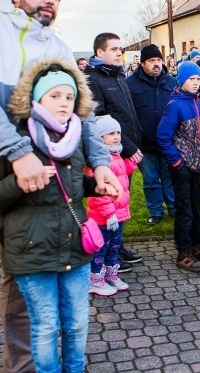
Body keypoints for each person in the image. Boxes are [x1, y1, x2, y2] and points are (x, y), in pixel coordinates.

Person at [0, 0, 120, 373]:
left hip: (37, 191)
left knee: (24, 302)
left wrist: (100, 163)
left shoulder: (57, 46)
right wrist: (18, 152)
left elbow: (82, 114)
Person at [0, 58, 109, 373]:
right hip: (33, 250)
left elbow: (71, 187)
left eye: (69, 96)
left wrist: (96, 186)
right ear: (37, 99)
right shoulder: (17, 141)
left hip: (75, 247)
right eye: (55, 96)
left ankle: (75, 369)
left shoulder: (76, 137)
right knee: (46, 326)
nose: (64, 103)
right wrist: (18, 182)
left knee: (77, 322)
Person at [85, 33, 144, 268]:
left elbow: (127, 114)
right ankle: (105, 249)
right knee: (108, 200)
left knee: (122, 200)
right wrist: (127, 146)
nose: (120, 53)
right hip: (110, 152)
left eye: (120, 49)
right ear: (100, 52)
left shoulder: (119, 75)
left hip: (125, 148)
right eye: (114, 49)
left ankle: (117, 245)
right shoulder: (93, 79)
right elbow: (100, 120)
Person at [157, 61, 200, 272]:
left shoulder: (199, 103)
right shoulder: (175, 105)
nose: (196, 82)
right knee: (185, 211)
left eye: (198, 78)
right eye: (191, 79)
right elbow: (163, 136)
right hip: (182, 167)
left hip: (196, 166)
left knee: (196, 207)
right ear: (182, 80)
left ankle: (196, 245)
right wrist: (177, 161)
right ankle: (183, 252)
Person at [127, 44, 177, 224]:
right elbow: (128, 114)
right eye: (151, 60)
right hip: (144, 144)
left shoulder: (171, 82)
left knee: (169, 177)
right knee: (150, 180)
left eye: (158, 60)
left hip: (168, 142)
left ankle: (174, 208)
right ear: (142, 63)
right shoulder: (130, 84)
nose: (156, 64)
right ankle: (156, 211)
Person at [87, 115, 135, 296]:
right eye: (110, 133)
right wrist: (109, 214)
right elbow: (98, 194)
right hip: (104, 217)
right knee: (101, 247)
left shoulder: (116, 155)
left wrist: (131, 162)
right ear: (99, 137)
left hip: (118, 213)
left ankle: (110, 274)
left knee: (115, 245)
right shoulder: (99, 162)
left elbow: (122, 175)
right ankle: (95, 279)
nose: (116, 137)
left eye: (118, 133)